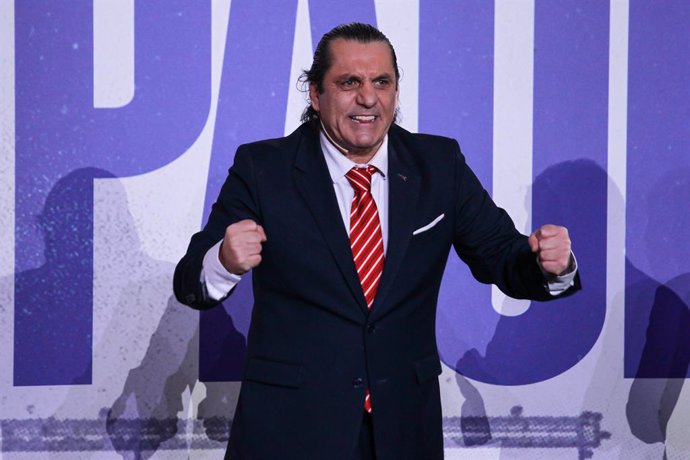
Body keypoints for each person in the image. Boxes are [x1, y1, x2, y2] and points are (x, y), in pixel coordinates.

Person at [174, 22, 580, 460]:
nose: (368, 99)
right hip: (291, 430)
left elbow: (502, 255)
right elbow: (189, 281)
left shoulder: (438, 166)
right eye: (349, 82)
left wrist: (546, 265)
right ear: (316, 93)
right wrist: (224, 260)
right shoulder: (263, 169)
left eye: (381, 82)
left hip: (402, 430)